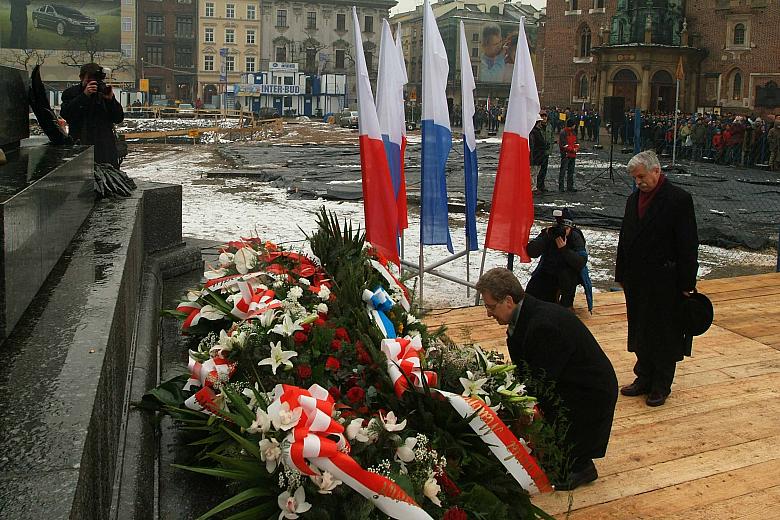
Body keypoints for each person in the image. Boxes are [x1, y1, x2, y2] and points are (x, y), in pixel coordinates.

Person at [475, 268, 618, 491]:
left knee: (561, 456)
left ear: (509, 301)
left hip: (588, 394)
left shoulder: (543, 325)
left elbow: (542, 383)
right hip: (572, 383)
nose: (488, 314)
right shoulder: (525, 316)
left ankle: (581, 466)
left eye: (491, 307)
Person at [616, 151, 699, 407]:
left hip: (666, 281)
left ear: (656, 171)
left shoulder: (678, 200)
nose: (638, 181)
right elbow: (625, 239)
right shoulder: (633, 200)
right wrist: (621, 274)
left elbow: (688, 245)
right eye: (634, 178)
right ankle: (643, 377)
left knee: (664, 333)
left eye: (641, 176)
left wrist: (687, 283)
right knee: (640, 329)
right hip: (638, 280)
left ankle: (661, 384)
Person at [526, 208, 593, 312]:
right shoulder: (551, 233)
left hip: (568, 274)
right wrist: (545, 237)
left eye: (566, 229)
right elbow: (531, 252)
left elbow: (581, 263)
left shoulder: (575, 236)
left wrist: (565, 250)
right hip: (549, 271)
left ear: (571, 228)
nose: (562, 232)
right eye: (561, 228)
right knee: (532, 294)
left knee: (567, 275)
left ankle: (566, 305)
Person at [61, 63, 125, 168]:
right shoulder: (71, 93)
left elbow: (118, 118)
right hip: (81, 144)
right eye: (90, 79)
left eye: (96, 79)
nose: (94, 83)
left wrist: (110, 100)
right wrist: (84, 96)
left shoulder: (102, 91)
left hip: (105, 148)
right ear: (81, 78)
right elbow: (66, 114)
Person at [559, 119, 579, 192]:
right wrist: (572, 149)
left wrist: (576, 148)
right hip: (566, 155)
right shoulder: (563, 132)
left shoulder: (573, 132)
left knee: (571, 171)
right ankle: (561, 187)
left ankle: (570, 186)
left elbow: (576, 142)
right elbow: (564, 145)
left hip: (572, 155)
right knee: (563, 171)